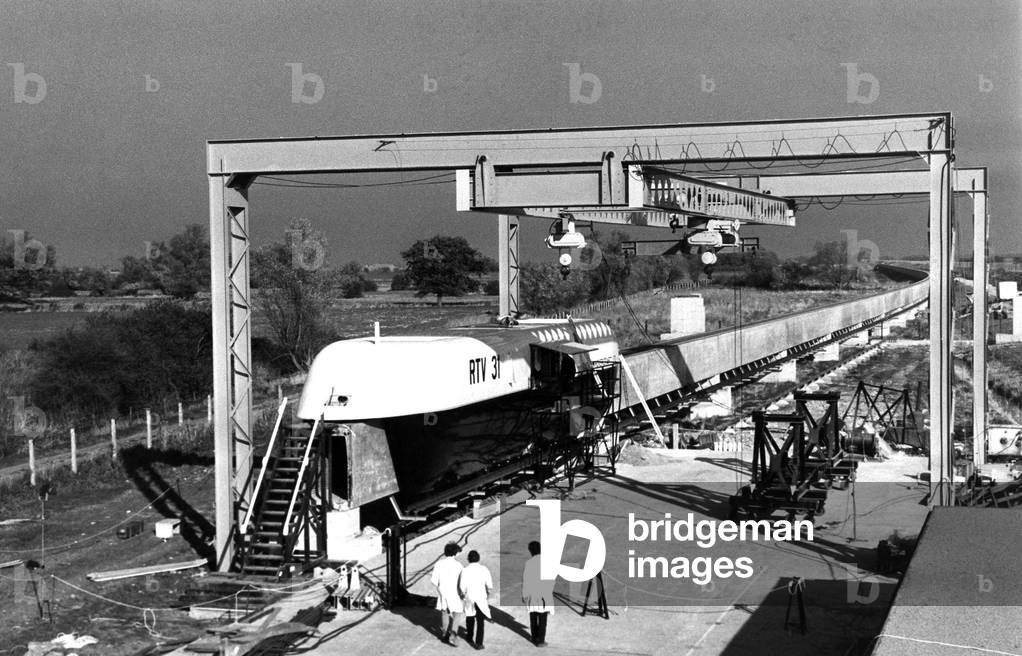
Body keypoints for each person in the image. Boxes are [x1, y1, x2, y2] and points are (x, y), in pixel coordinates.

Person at [431, 541, 465, 645]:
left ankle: (445, 634)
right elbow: (462, 582)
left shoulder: (439, 564)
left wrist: (440, 591)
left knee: (444, 613)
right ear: (455, 553)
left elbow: (434, 581)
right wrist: (462, 593)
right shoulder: (459, 565)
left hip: (443, 593)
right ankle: (453, 634)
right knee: (457, 613)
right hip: (455, 593)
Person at [459, 550, 494, 649]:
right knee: (480, 621)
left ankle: (469, 636)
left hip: (469, 596)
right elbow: (489, 585)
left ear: (468, 559)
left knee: (469, 616)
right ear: (478, 558)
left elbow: (462, 587)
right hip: (480, 597)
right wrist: (488, 592)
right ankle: (479, 643)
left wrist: (463, 594)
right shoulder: (484, 569)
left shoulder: (464, 570)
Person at [522, 540, 554, 647]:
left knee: (533, 617)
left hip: (532, 595)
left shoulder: (528, 563)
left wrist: (524, 595)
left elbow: (526, 581)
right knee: (542, 619)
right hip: (543, 596)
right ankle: (540, 640)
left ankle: (534, 637)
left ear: (530, 551)